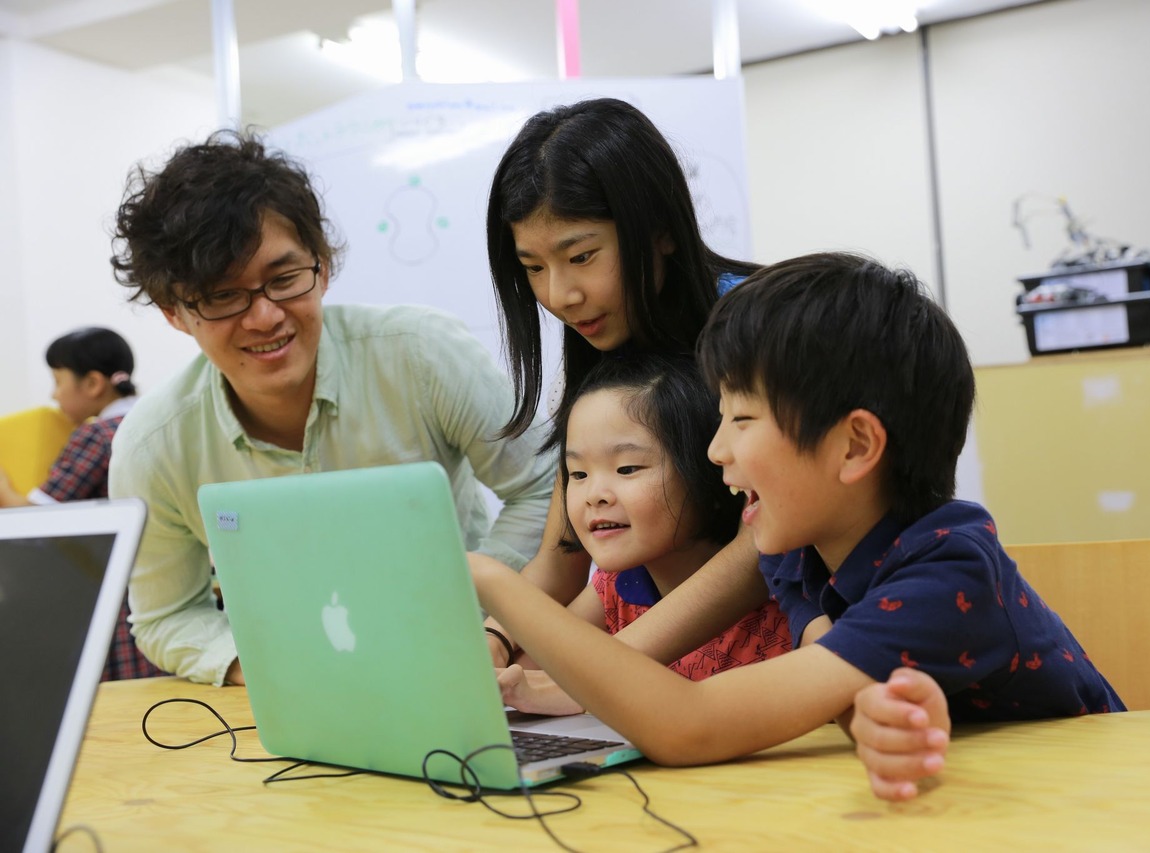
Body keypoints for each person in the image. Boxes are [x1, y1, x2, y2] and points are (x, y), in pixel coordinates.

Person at [470, 252, 1124, 802]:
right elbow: (827, 655)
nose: (715, 451)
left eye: (742, 420)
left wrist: (494, 581)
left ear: (855, 446)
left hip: (1087, 802)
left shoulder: (948, 571)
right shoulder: (799, 555)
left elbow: (690, 726)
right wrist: (859, 710)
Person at [107, 131, 555, 686]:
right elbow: (167, 615)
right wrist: (278, 668)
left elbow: (543, 486)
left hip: (463, 664)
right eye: (223, 296)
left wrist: (478, 613)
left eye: (284, 279)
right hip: (290, 692)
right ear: (174, 311)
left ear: (322, 264)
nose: (265, 317)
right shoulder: (154, 445)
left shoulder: (421, 355)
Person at [480, 96, 767, 668]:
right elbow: (561, 558)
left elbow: (762, 546)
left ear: (660, 231)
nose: (560, 295)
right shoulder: (603, 344)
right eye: (533, 267)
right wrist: (490, 646)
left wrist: (605, 670)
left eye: (582, 256)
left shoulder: (761, 326)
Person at [497, 354, 790, 715]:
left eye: (627, 468)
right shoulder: (614, 588)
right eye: (578, 474)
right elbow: (535, 671)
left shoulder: (786, 594)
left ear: (711, 472)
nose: (595, 495)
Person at [0, 327, 163, 681]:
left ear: (92, 383)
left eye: (58, 381)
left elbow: (36, 518)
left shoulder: (99, 435)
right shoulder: (162, 424)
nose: (53, 395)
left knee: (122, 699)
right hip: (164, 588)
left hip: (119, 600)